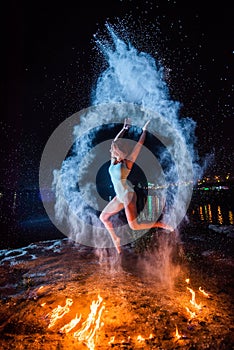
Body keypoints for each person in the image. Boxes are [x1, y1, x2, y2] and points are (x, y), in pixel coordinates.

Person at [99, 118, 173, 253]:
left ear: (118, 151)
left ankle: (161, 224)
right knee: (103, 217)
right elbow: (114, 141)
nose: (111, 150)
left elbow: (139, 144)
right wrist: (124, 128)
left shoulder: (127, 162)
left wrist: (144, 131)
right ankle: (116, 239)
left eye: (113, 149)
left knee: (134, 226)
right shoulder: (113, 161)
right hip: (119, 196)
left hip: (128, 195)